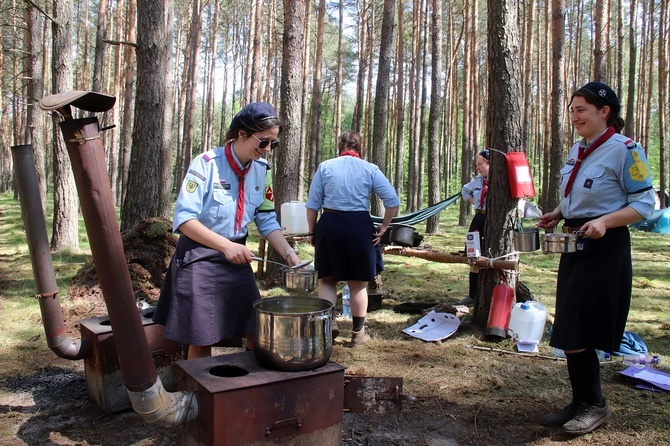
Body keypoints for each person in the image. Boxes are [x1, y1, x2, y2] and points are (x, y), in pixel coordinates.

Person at [537, 82, 655, 435]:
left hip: (606, 246)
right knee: (570, 326)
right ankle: (580, 401)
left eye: (581, 110)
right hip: (576, 243)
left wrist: (604, 221)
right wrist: (559, 211)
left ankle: (595, 405)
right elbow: (580, 193)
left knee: (582, 325)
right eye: (572, 110)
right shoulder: (579, 148)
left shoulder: (625, 151)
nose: (574, 116)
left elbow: (645, 204)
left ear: (604, 112)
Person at [153, 102, 304, 359]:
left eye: (272, 144)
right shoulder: (206, 164)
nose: (267, 150)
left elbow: (266, 219)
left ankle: (250, 385)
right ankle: (198, 394)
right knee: (201, 336)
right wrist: (225, 246)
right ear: (242, 134)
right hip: (198, 256)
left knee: (256, 328)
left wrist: (289, 254)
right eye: (264, 142)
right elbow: (184, 219)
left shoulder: (262, 171)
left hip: (237, 257)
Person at [306, 131, 399, 346]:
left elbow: (312, 205)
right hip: (359, 226)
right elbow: (392, 201)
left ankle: (329, 325)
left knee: (327, 279)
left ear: (340, 146)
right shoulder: (370, 168)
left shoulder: (326, 166)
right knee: (357, 284)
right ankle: (358, 334)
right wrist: (384, 227)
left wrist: (312, 232)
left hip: (330, 224)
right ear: (359, 148)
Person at [456, 149, 490, 306]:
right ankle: (473, 295)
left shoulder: (500, 181)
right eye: (477, 165)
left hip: (493, 221)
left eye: (480, 164)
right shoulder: (478, 181)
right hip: (479, 219)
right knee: (473, 254)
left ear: (490, 164)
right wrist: (476, 204)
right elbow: (465, 190)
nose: (478, 168)